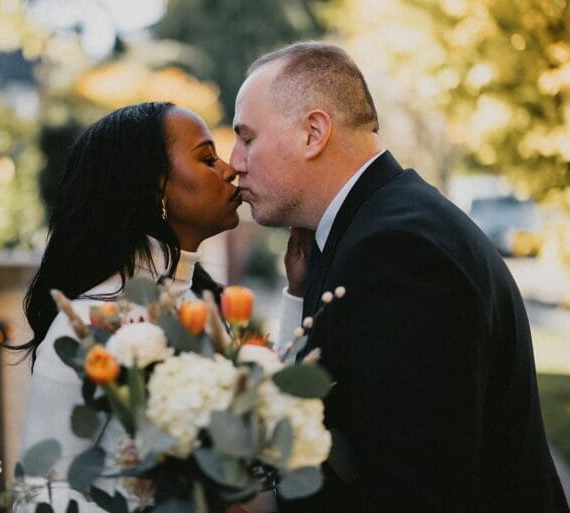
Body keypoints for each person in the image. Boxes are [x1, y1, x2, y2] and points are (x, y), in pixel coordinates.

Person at [230, 42, 569, 513]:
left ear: (313, 132)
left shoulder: (396, 250)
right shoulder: (370, 227)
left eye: (247, 138)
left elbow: (409, 486)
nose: (234, 163)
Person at [14, 102, 280, 513]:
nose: (230, 169)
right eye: (208, 158)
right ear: (156, 187)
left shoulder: (203, 309)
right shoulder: (87, 325)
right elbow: (38, 494)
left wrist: (296, 291)